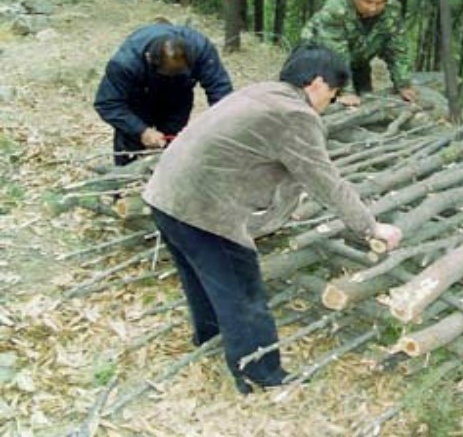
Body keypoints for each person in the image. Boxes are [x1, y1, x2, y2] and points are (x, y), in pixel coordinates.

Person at [142, 43, 403, 393]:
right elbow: (325, 181)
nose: (332, 101)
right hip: (204, 208)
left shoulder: (262, 93)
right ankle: (260, 372)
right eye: (334, 92)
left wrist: (275, 216)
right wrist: (370, 227)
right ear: (318, 83)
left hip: (165, 195)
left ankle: (210, 338)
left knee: (202, 277)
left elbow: (278, 168)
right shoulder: (296, 115)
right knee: (244, 292)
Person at [94, 22, 233, 166]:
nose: (171, 75)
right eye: (169, 72)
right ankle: (127, 176)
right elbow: (107, 103)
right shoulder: (126, 63)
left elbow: (220, 90)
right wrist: (141, 131)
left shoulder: (201, 49)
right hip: (138, 95)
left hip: (178, 95)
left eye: (178, 71)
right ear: (149, 59)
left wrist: (221, 125)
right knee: (130, 146)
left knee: (173, 146)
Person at [292, 0, 416, 105]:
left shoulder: (392, 9)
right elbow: (336, 53)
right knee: (312, 103)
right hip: (315, 60)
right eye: (367, 2)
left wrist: (403, 84)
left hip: (357, 60)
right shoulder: (336, 8)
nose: (373, 8)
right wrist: (345, 91)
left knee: (365, 100)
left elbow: (397, 49)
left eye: (380, 3)